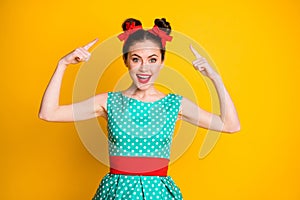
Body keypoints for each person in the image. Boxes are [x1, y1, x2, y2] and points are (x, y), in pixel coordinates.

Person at [39, 18, 240, 200]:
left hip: (159, 195)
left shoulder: (175, 104)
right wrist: (62, 64)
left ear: (162, 62)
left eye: (152, 59)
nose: (145, 68)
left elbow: (230, 125)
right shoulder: (108, 102)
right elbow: (49, 113)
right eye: (136, 59)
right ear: (126, 61)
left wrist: (215, 78)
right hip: (116, 194)